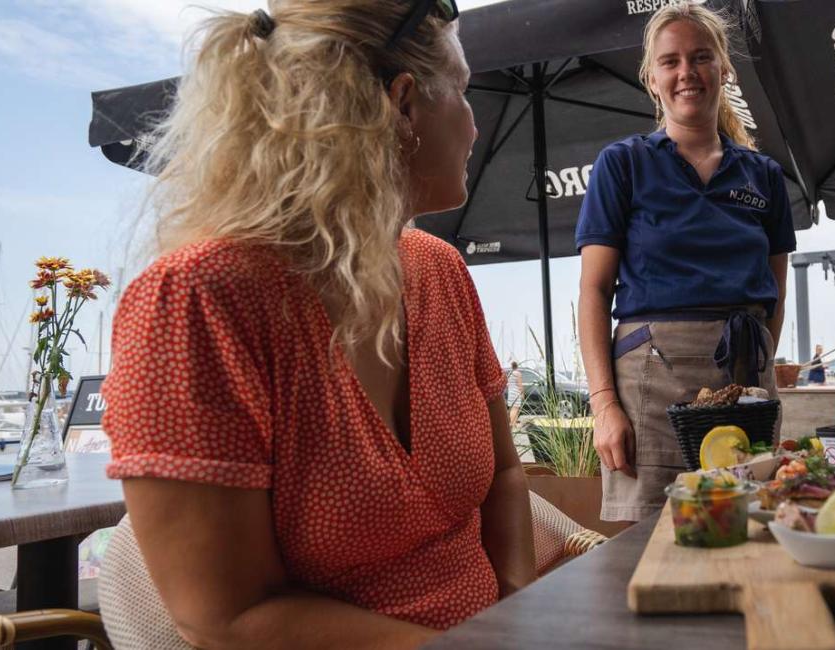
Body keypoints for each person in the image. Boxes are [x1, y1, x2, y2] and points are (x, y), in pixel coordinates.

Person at [101, 2, 534, 647]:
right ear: (403, 104)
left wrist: (526, 612)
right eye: (464, 93)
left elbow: (503, 475)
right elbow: (226, 615)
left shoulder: (439, 269)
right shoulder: (198, 299)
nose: (474, 124)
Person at [576, 2, 796, 522]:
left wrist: (758, 370)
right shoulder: (623, 163)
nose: (686, 72)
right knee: (648, 535)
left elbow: (776, 294)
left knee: (749, 522)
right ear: (652, 79)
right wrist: (604, 404)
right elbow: (593, 292)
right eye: (670, 61)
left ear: (724, 69)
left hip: (745, 375)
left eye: (700, 57)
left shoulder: (764, 175)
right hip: (650, 379)